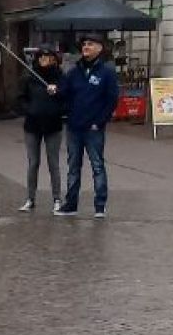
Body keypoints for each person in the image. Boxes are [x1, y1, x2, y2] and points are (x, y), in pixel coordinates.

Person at [55, 34, 119, 219]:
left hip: (93, 129)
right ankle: (71, 204)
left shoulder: (106, 72)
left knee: (97, 166)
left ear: (100, 48)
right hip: (74, 127)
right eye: (84, 44)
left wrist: (99, 121)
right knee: (73, 166)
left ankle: (100, 205)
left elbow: (111, 100)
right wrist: (56, 90)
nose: (86, 47)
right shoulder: (74, 71)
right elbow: (64, 93)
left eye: (90, 44)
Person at [16, 45, 65, 213]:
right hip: (32, 125)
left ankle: (57, 199)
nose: (44, 59)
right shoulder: (29, 77)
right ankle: (30, 199)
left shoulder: (59, 76)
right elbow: (21, 98)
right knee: (33, 163)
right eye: (41, 56)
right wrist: (29, 109)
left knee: (53, 163)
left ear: (53, 58)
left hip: (53, 125)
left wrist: (57, 92)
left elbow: (67, 98)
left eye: (47, 56)